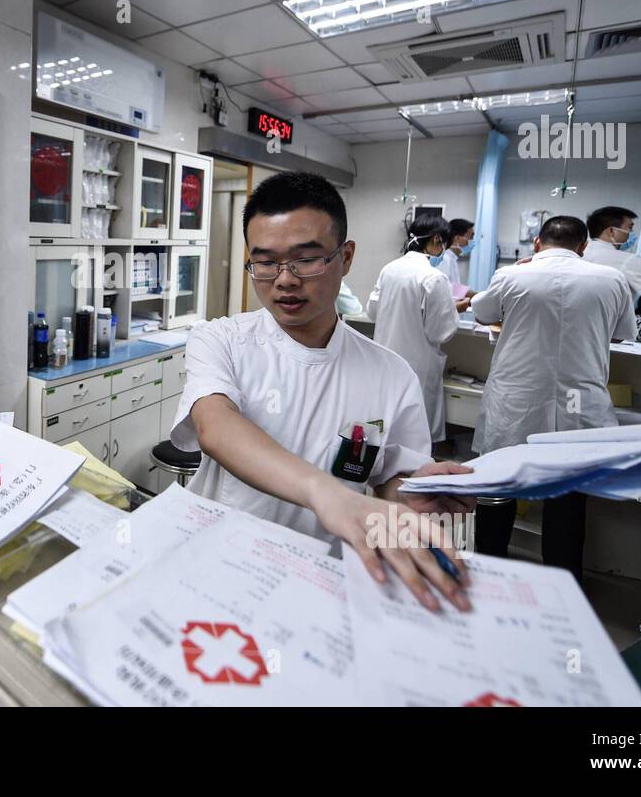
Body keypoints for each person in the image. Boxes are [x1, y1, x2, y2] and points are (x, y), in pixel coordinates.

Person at [172, 172, 474, 614]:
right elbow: (214, 426)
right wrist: (325, 492)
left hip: (323, 585)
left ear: (345, 256)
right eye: (265, 262)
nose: (284, 280)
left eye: (306, 259)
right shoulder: (220, 340)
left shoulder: (390, 375)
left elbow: (392, 479)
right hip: (219, 567)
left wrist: (409, 499)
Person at [469, 215, 636, 582]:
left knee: (498, 492)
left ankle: (485, 577)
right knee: (567, 502)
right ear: (583, 246)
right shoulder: (611, 280)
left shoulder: (512, 276)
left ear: (538, 244)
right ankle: (564, 589)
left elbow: (481, 312)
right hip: (579, 406)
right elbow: (624, 336)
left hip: (516, 402)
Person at [366, 214, 462, 443]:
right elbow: (442, 332)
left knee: (386, 427)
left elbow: (372, 312)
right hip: (417, 367)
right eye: (445, 244)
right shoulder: (433, 277)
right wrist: (453, 308)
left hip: (385, 361)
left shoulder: (389, 269)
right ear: (437, 239)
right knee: (415, 436)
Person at [436, 217, 476, 293]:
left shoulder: (452, 259)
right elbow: (444, 290)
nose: (472, 241)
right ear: (457, 238)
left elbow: (455, 287)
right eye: (470, 237)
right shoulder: (443, 259)